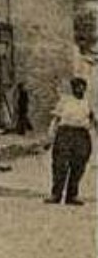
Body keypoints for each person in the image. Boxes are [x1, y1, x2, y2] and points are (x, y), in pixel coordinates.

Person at [47, 77, 96, 205]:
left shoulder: (87, 103)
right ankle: (56, 194)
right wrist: (50, 136)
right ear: (73, 88)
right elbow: (56, 120)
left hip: (81, 135)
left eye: (82, 87)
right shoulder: (65, 102)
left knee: (79, 165)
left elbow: (94, 121)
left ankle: (72, 195)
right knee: (60, 164)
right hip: (65, 133)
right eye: (77, 87)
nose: (80, 89)